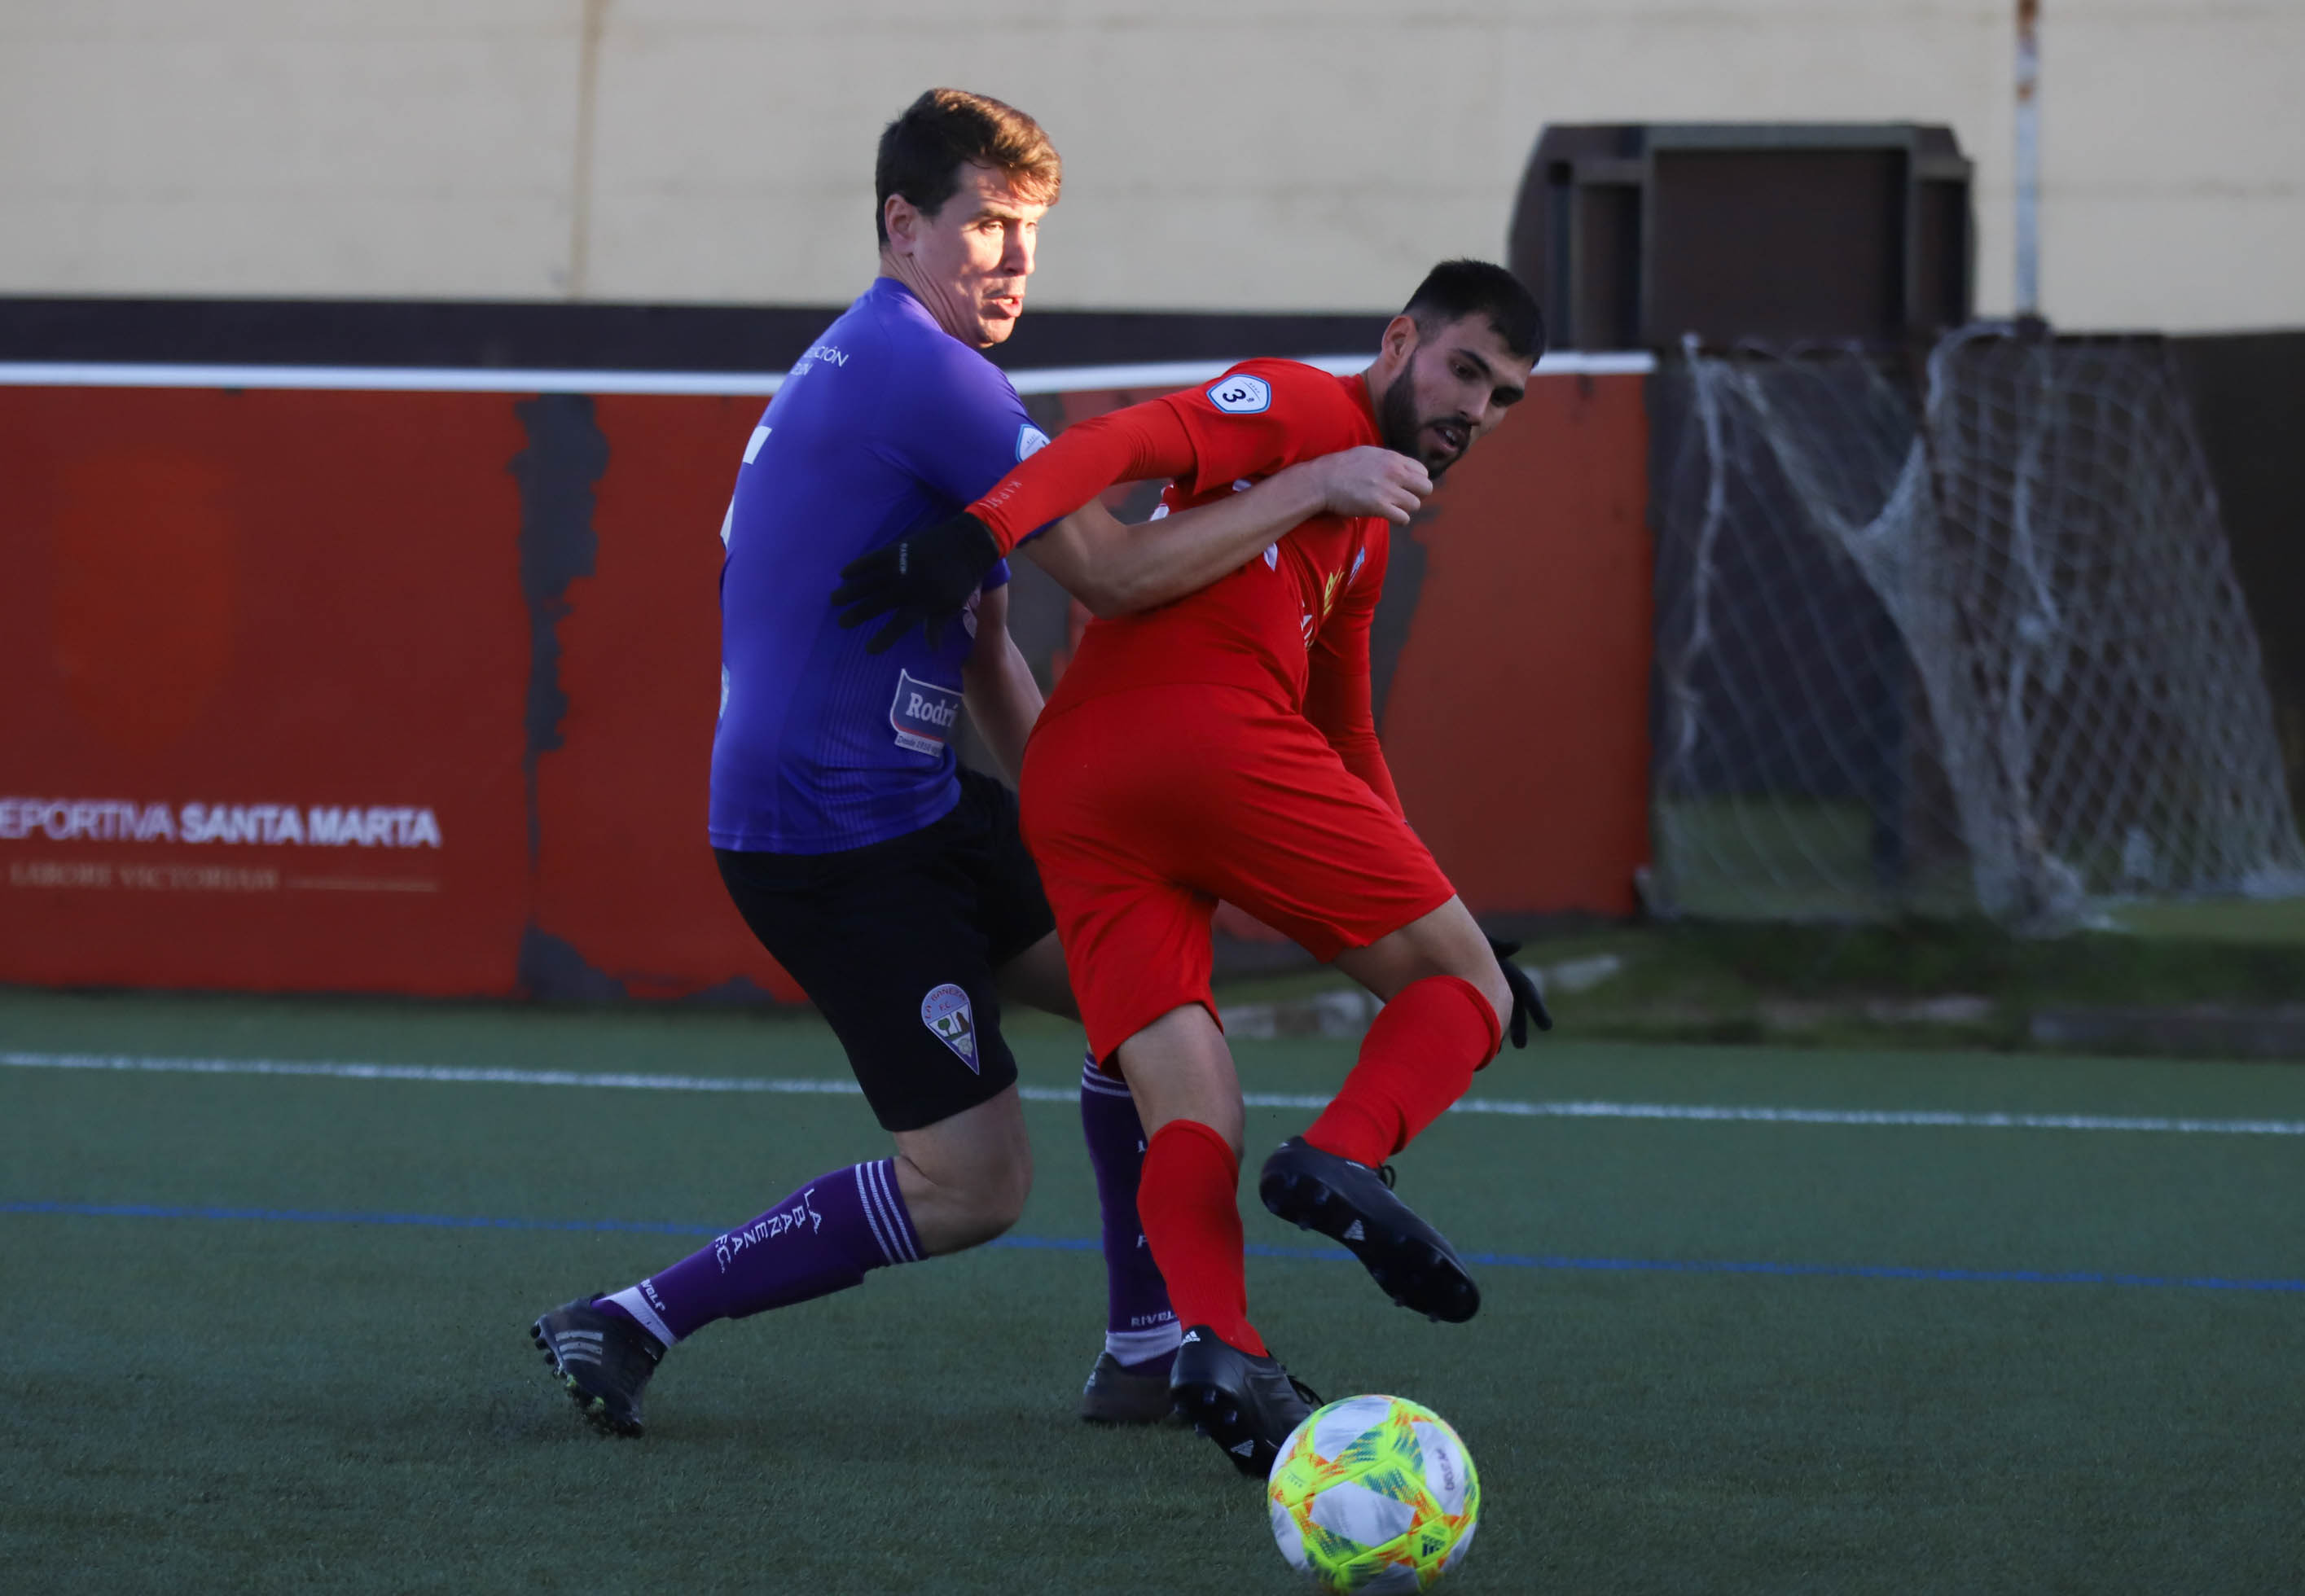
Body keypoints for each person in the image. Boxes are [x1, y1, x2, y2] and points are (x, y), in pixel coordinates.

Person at [529, 88, 1432, 1436]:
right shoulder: (925, 372)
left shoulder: (897, 367)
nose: (1015, 259)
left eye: (1033, 231)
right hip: (826, 840)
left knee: (1153, 1006)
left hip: (921, 799)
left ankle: (1148, 1349)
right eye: (989, 224)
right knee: (974, 1187)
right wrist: (1313, 481)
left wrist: (1090, 820)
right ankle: (629, 1316)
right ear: (904, 226)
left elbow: (989, 646)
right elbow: (1119, 579)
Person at [832, 260, 1556, 1474]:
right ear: (1398, 341)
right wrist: (985, 531)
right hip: (1204, 744)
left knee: (1192, 1101)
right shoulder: (1303, 405)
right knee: (1465, 997)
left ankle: (1217, 1345)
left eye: (1503, 399)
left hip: (1080, 789)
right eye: (1464, 372)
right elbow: (1118, 440)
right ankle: (1343, 1155)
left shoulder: (1362, 530)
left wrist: (1445, 904)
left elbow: (1347, 733)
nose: (1473, 412)